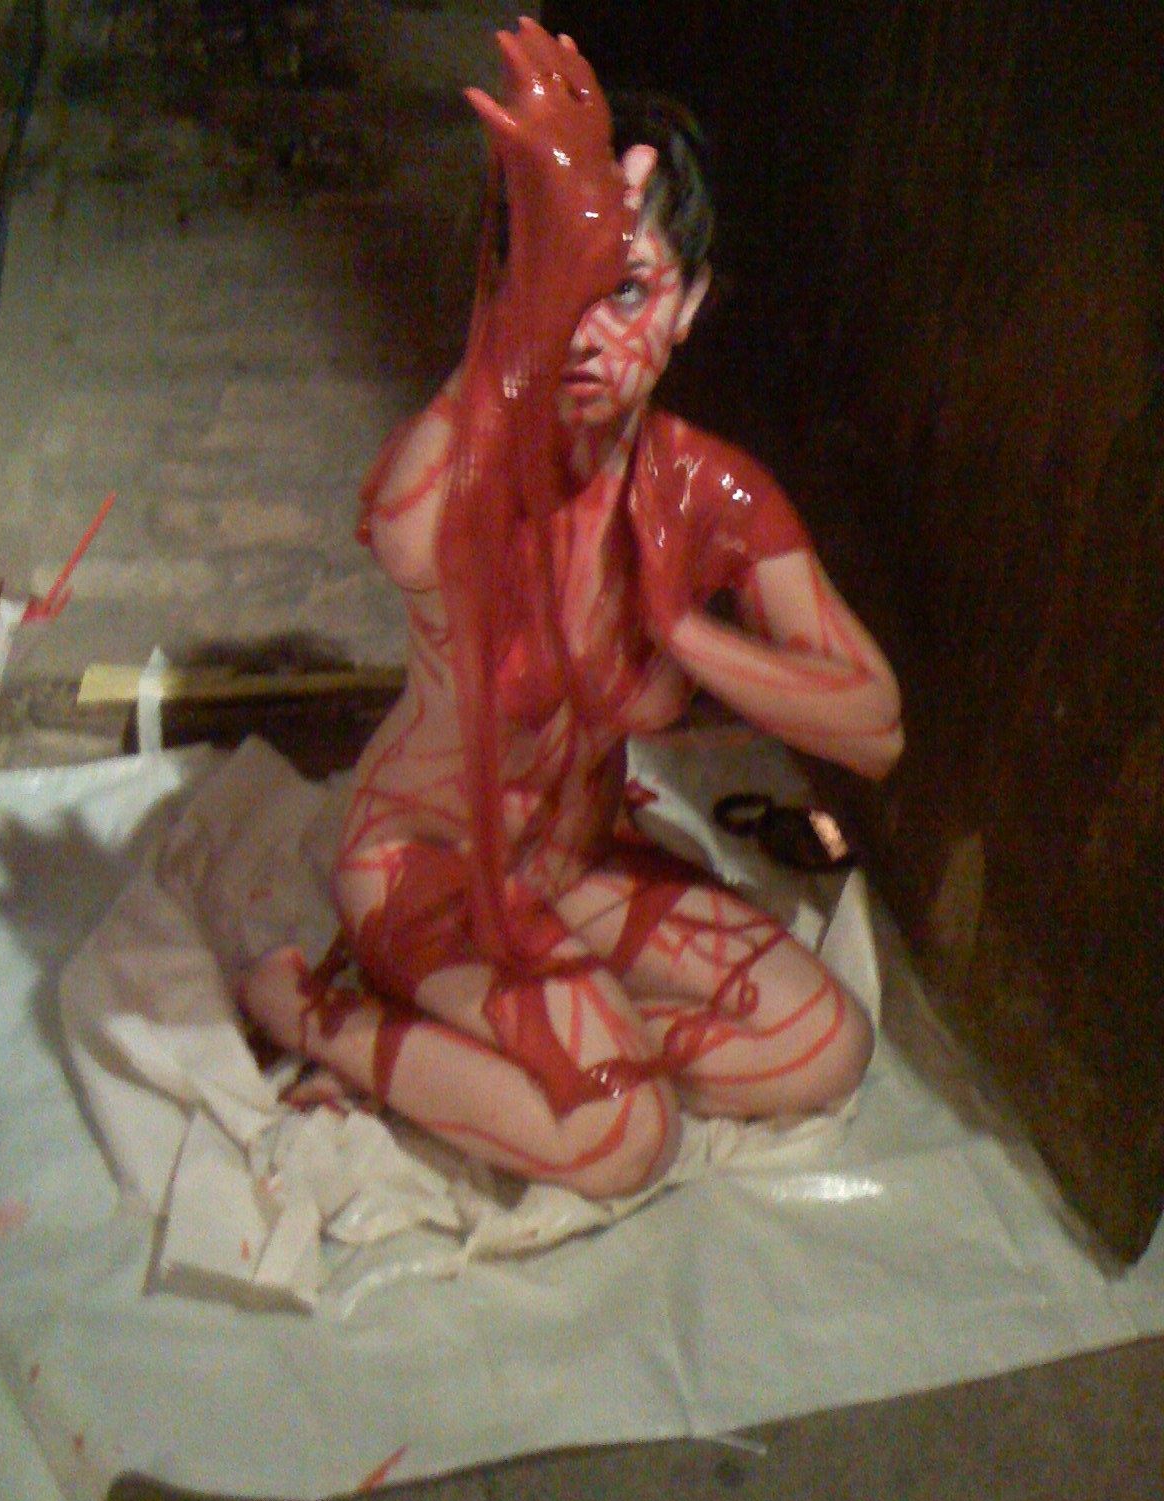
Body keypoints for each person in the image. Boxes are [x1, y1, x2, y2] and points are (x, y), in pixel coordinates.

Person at [238, 20, 903, 1198]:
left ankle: (525, 1067)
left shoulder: (702, 488)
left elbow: (873, 726)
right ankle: (321, 1015)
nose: (588, 339)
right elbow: (400, 533)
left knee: (825, 1046)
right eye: (564, 292)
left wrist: (683, 631)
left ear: (691, 304)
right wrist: (520, 324)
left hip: (579, 858)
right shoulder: (486, 456)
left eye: (630, 290)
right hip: (428, 862)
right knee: (625, 1140)